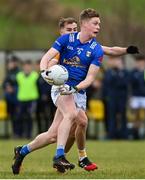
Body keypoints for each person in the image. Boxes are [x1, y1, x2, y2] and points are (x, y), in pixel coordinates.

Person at [12, 14, 139, 174]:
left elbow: (99, 65)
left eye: (99, 23)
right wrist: (46, 71)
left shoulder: (95, 48)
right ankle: (66, 156)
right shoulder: (64, 43)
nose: (99, 26)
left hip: (77, 90)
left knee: (56, 133)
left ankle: (22, 151)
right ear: (84, 24)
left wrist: (127, 50)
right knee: (72, 115)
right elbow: (48, 59)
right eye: (95, 23)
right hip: (61, 87)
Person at [102, 57, 129, 139]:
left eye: (116, 60)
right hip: (111, 98)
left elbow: (124, 83)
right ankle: (111, 134)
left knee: (123, 116)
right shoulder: (109, 72)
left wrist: (120, 71)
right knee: (111, 116)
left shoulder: (125, 72)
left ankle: (124, 134)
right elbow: (107, 82)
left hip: (122, 97)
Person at [129, 54, 145, 139]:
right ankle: (135, 133)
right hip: (135, 96)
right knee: (136, 115)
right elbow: (131, 83)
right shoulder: (133, 72)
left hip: (144, 96)